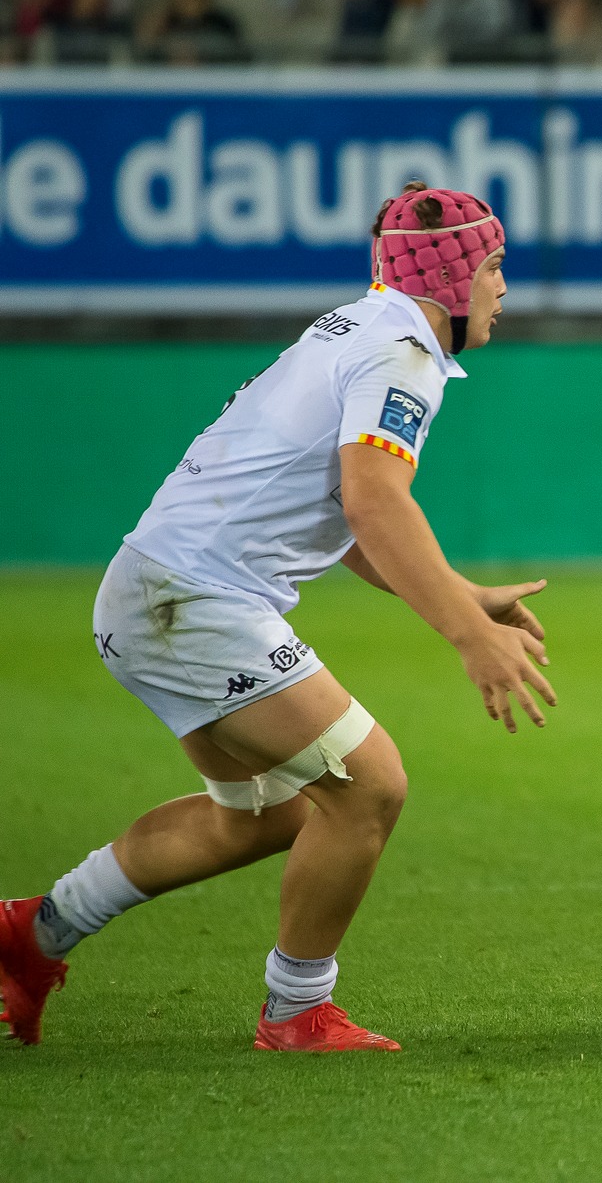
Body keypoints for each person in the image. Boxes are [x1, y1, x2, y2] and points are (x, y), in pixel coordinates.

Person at [0, 184, 556, 1052]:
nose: (504, 288)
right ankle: (297, 1011)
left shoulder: (355, 327)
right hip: (192, 599)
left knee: (266, 814)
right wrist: (467, 633)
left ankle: (32, 934)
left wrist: (458, 591)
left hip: (155, 589)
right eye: (494, 268)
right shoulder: (400, 354)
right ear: (451, 278)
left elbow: (342, 511)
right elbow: (374, 503)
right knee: (371, 785)